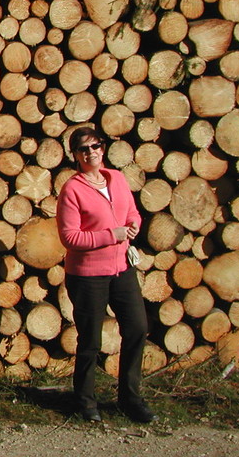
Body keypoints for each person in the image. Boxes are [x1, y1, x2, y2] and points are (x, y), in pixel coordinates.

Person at [56, 125, 156, 424]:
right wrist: (111, 234)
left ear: (103, 147)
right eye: (84, 149)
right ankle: (86, 401)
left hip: (121, 269)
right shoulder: (72, 189)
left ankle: (130, 398)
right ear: (75, 155)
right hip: (88, 275)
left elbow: (132, 212)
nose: (92, 152)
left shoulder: (118, 179)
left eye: (96, 145)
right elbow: (70, 238)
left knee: (137, 328)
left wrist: (133, 225)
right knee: (91, 341)